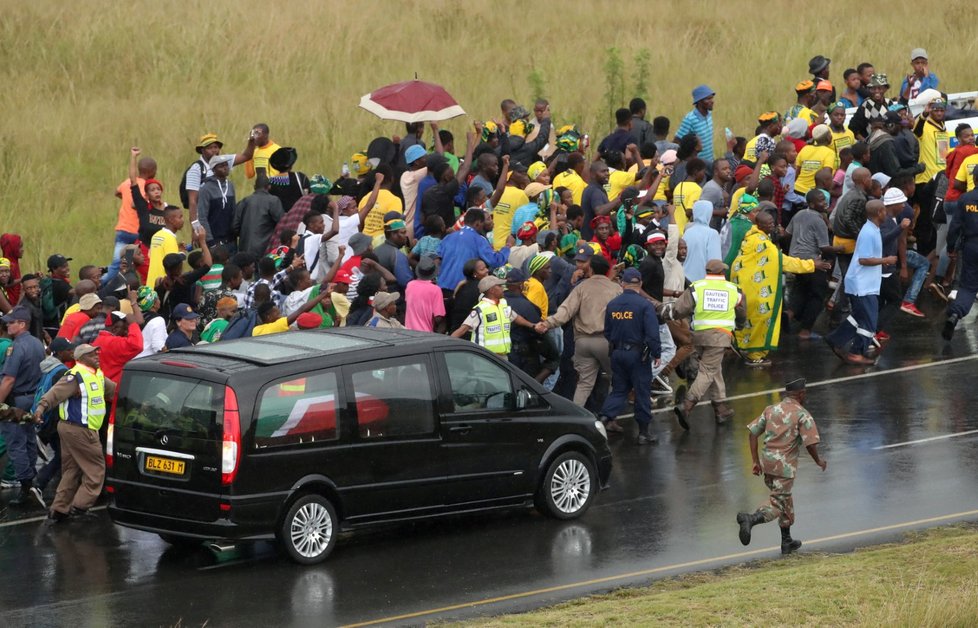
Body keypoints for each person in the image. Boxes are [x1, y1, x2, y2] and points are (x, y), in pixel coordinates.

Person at [737, 378, 826, 555]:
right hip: (785, 466)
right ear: (801, 394)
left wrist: (755, 461)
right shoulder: (802, 414)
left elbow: (752, 433)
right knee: (778, 502)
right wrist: (818, 461)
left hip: (768, 463)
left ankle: (786, 540)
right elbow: (810, 444)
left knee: (785, 498)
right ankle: (751, 519)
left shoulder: (771, 409)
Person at [732, 211, 829, 366]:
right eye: (769, 223)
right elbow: (784, 262)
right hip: (757, 290)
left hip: (746, 286)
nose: (773, 225)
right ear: (760, 225)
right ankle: (754, 355)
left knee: (747, 319)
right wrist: (812, 264)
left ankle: (743, 346)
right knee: (760, 320)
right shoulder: (763, 244)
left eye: (773, 222)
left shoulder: (752, 238)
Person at [33, 344, 116, 521]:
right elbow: (53, 394)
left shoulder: (97, 374)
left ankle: (59, 509)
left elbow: (114, 390)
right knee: (96, 470)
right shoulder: (75, 376)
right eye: (91, 354)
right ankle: (79, 507)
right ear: (81, 358)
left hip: (75, 429)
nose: (96, 355)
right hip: (81, 430)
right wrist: (40, 409)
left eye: (96, 352)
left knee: (72, 469)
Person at [660, 259, 746, 427]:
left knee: (714, 369)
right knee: (707, 371)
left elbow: (679, 309)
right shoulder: (733, 289)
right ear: (722, 272)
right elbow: (741, 312)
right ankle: (686, 406)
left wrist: (666, 317)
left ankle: (720, 408)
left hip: (699, 336)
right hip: (719, 336)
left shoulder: (696, 287)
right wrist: (740, 326)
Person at [538, 255, 622, 407]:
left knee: (584, 384)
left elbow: (565, 311)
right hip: (606, 342)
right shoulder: (615, 289)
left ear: (590, 269)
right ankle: (610, 417)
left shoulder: (581, 287)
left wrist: (547, 323)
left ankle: (577, 417)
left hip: (582, 343)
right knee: (617, 379)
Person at [825, 201, 895, 364]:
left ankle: (836, 339)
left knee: (859, 316)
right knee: (870, 320)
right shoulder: (869, 232)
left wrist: (880, 261)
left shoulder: (873, 229)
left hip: (866, 284)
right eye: (884, 211)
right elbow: (863, 259)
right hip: (861, 285)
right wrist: (885, 259)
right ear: (879, 212)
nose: (886, 214)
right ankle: (856, 352)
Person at [597, 268, 661, 444]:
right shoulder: (644, 305)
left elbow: (607, 331)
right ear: (640, 284)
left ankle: (603, 420)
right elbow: (652, 333)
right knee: (641, 391)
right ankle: (643, 433)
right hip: (637, 354)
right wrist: (656, 353)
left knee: (619, 389)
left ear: (623, 284)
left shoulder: (613, 304)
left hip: (617, 353)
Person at [0, 305, 46, 507]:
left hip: (16, 400)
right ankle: (32, 480)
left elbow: (9, 379)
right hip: (32, 397)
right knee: (28, 440)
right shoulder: (37, 343)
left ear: (22, 324)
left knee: (15, 444)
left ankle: (27, 486)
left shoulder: (15, 346)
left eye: (11, 322)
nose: (7, 325)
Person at [786, 190, 838, 339]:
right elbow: (824, 247)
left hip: (796, 262)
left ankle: (788, 315)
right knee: (817, 295)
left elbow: (787, 235)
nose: (825, 203)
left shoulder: (799, 214)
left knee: (801, 289)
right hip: (812, 263)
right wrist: (840, 249)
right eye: (820, 201)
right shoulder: (818, 220)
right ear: (811, 204)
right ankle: (805, 331)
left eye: (824, 199)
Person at [451, 275, 539, 355]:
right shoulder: (480, 309)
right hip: (485, 358)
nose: (503, 288)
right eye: (500, 286)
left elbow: (515, 317)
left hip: (502, 357)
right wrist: (447, 344)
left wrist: (533, 326)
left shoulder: (503, 304)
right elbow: (462, 330)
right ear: (492, 290)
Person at [181, 132, 255, 223]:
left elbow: (246, 156)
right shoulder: (196, 169)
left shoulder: (223, 161)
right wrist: (195, 225)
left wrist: (251, 142)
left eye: (216, 147)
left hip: (222, 216)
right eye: (209, 148)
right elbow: (192, 201)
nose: (214, 150)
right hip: (205, 217)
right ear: (202, 151)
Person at [437, 209, 511, 292]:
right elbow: (495, 261)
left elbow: (437, 260)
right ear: (478, 223)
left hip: (441, 288)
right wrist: (507, 247)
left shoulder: (448, 238)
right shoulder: (478, 240)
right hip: (461, 289)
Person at [942, 169, 978, 340]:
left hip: (971, 246)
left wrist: (951, 248)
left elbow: (955, 227)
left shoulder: (965, 199)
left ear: (975, 179)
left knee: (968, 287)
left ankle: (955, 314)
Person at [234, 172, 285, 258]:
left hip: (244, 249)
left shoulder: (244, 201)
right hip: (266, 249)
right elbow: (282, 224)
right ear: (269, 187)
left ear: (254, 187)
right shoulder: (273, 201)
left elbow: (234, 226)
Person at [92, 309, 144, 384]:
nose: (127, 332)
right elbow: (137, 345)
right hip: (112, 389)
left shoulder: (100, 340)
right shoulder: (113, 342)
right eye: (125, 329)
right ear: (115, 329)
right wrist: (133, 324)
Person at [197, 154, 238, 248]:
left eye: (226, 165)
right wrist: (210, 242)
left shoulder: (230, 185)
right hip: (215, 241)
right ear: (213, 169)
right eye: (221, 166)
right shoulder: (206, 189)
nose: (225, 168)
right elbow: (202, 217)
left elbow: (233, 211)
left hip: (231, 240)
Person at [252, 290, 332, 336]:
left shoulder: (255, 330)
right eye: (278, 314)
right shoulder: (277, 326)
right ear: (268, 317)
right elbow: (301, 310)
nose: (281, 316)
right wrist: (322, 295)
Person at [146, 205, 184, 289]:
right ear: (171, 220)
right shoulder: (170, 239)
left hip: (151, 283)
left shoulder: (156, 235)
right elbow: (173, 265)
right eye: (180, 217)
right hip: (164, 285)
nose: (183, 220)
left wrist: (178, 250)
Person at [682, 200, 721, 282]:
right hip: (703, 282)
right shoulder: (712, 234)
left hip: (685, 280)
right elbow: (715, 264)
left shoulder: (688, 231)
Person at [675, 85, 715, 165]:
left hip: (710, 162)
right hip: (697, 166)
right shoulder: (690, 119)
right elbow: (677, 141)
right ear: (699, 101)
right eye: (708, 99)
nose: (712, 101)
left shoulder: (709, 115)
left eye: (712, 98)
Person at [404, 257, 445, 333]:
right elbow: (438, 318)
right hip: (425, 334)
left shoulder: (410, 285)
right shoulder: (436, 290)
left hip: (408, 333)